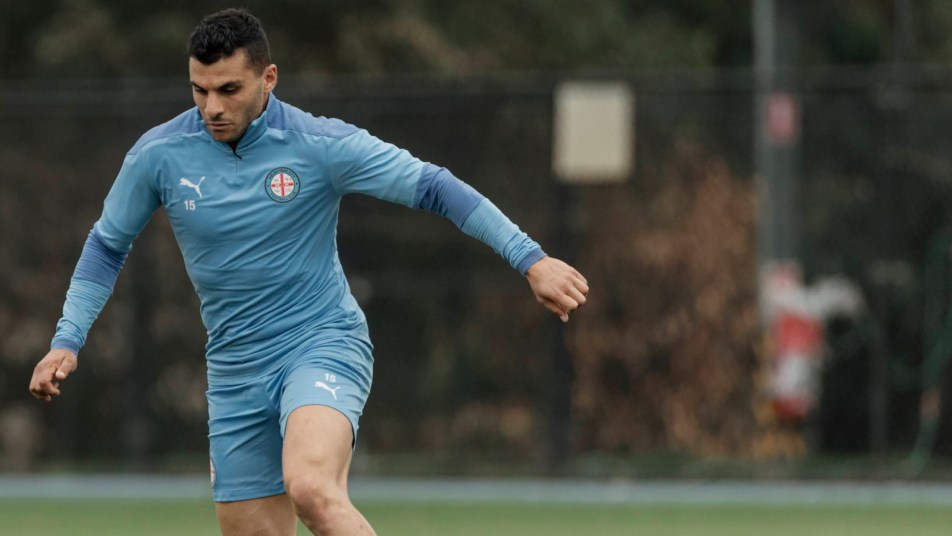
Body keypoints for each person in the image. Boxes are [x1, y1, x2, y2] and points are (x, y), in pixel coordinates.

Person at [29, 8, 588, 536]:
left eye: (230, 89)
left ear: (268, 77)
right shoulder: (159, 155)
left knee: (312, 487)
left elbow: (434, 186)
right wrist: (67, 340)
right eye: (199, 90)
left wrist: (531, 258)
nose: (212, 107)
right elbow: (106, 246)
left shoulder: (320, 145)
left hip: (320, 344)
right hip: (233, 370)